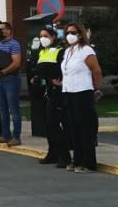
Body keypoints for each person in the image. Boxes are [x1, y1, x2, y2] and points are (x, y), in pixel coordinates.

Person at [60, 22, 103, 173]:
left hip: (83, 92)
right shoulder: (67, 51)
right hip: (69, 92)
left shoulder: (86, 50)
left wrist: (95, 87)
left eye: (73, 32)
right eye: (67, 32)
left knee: (85, 128)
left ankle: (88, 162)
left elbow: (96, 70)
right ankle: (77, 159)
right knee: (73, 128)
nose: (69, 35)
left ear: (80, 34)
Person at [35, 26, 68, 167]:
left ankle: (64, 156)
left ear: (53, 37)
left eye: (46, 36)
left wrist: (60, 81)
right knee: (48, 125)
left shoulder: (60, 51)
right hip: (45, 92)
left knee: (55, 125)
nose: (43, 38)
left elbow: (64, 69)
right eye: (41, 36)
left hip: (57, 93)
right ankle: (52, 153)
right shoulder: (42, 52)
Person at [0, 22, 23, 146]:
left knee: (13, 109)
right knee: (2, 109)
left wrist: (2, 72)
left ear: (9, 30)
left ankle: (16, 136)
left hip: (11, 80)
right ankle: (5, 134)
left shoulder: (14, 44)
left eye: (1, 29)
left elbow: (16, 63)